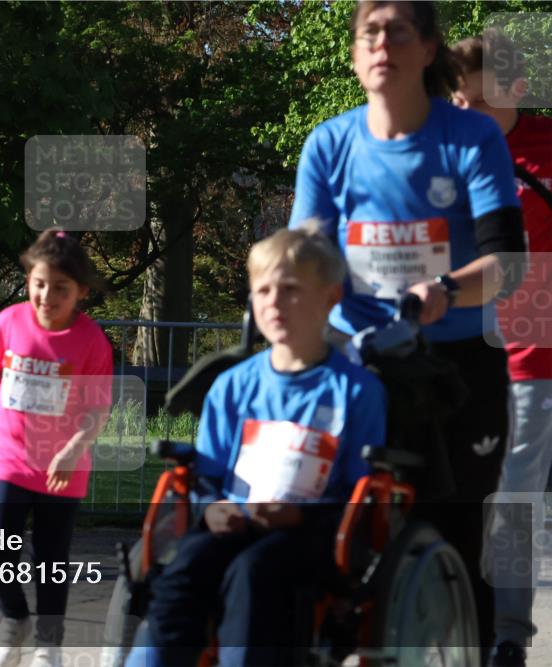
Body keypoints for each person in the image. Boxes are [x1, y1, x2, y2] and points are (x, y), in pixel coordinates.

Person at [288, 2, 525, 657]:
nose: (381, 42)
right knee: (335, 529)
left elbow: (506, 260)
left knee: (451, 537)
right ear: (354, 55)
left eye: (397, 29)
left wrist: (444, 290)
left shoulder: (471, 140)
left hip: (455, 369)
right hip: (356, 366)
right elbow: (305, 254)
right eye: (369, 31)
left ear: (427, 49)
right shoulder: (329, 144)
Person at [125, 227, 387, 667]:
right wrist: (211, 509)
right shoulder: (232, 386)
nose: (273, 302)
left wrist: (300, 514)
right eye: (263, 290)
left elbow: (362, 493)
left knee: (255, 571)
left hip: (312, 531)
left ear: (330, 298)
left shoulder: (357, 391)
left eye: (290, 290)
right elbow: (207, 476)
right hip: (235, 519)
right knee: (183, 570)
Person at [452, 30, 552, 667]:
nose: (463, 116)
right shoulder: (440, 151)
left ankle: (505, 635)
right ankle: (487, 630)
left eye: (476, 104)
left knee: (515, 493)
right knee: (482, 493)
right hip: (477, 350)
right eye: (455, 102)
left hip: (537, 350)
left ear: (516, 91)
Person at [0, 229, 114, 667]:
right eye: (39, 283)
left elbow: (97, 409)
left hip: (64, 464)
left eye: (60, 288)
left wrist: (73, 449)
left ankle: (48, 645)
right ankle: (13, 619)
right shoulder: (7, 323)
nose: (46, 296)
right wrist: (1, 421)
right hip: (10, 457)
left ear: (81, 292)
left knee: (51, 559)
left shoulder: (92, 341)